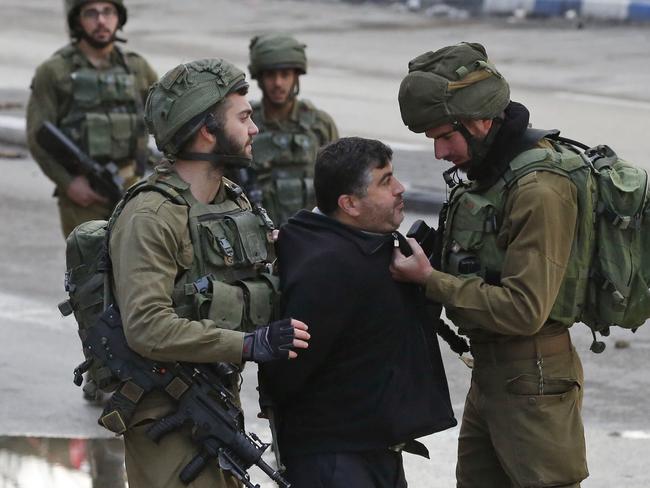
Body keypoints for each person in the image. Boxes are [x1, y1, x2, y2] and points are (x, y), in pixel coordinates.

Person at [393, 42, 589, 487]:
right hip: (493, 374)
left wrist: (430, 280)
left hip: (534, 380)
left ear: (480, 121)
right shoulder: (491, 175)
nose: (440, 152)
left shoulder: (539, 188)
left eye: (446, 136)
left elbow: (524, 309)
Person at [108, 58, 310, 488]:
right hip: (163, 411)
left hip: (218, 397)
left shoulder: (232, 201)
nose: (254, 128)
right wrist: (250, 344)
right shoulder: (151, 215)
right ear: (207, 130)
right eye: (243, 117)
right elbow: (146, 327)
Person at [260, 137, 457, 488]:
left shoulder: (356, 245)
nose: (399, 189)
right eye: (385, 181)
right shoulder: (326, 267)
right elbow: (286, 374)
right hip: (334, 458)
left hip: (371, 450)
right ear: (349, 203)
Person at [26, 0, 158, 238]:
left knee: (135, 270)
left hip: (131, 189)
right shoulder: (54, 71)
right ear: (78, 20)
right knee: (89, 271)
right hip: (83, 195)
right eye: (91, 13)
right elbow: (38, 136)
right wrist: (68, 183)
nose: (101, 21)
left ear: (119, 18)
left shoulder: (137, 68)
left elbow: (165, 121)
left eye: (108, 12)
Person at [233, 33, 338, 225]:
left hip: (312, 232)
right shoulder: (243, 124)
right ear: (259, 77)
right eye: (271, 75)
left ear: (296, 76)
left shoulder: (320, 125)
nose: (278, 83)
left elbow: (339, 185)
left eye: (285, 74)